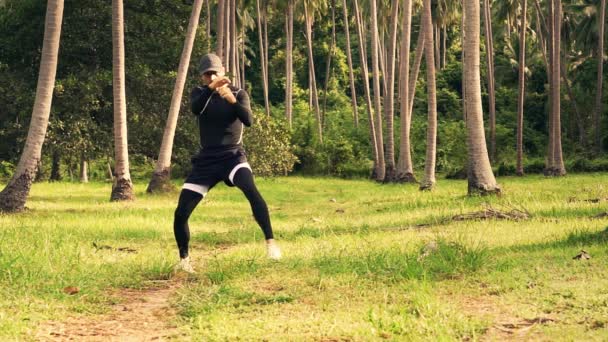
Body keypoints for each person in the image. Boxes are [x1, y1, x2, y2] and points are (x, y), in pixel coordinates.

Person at [173, 53, 281, 273]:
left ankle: (271, 244)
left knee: (251, 191)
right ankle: (184, 260)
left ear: (223, 72)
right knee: (181, 212)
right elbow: (195, 109)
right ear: (202, 77)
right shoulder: (200, 93)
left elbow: (248, 120)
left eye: (215, 72)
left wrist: (230, 99)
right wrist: (212, 89)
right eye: (207, 74)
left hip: (233, 157)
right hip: (206, 161)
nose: (212, 76)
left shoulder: (239, 93)